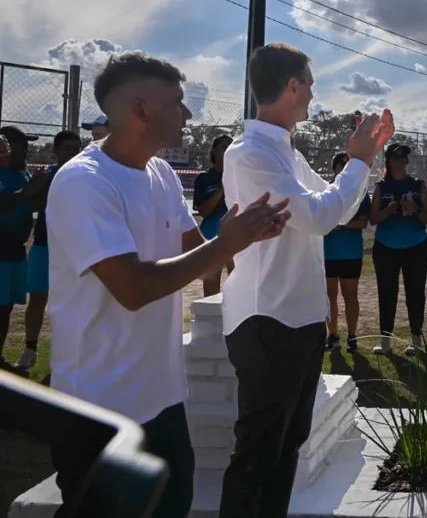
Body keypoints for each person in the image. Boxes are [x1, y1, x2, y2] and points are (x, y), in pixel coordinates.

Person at [45, 52, 290, 518]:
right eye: (178, 102)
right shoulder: (83, 182)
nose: (189, 113)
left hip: (162, 398)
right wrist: (224, 245)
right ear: (142, 111)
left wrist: (248, 237)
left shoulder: (159, 172)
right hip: (99, 409)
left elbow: (194, 251)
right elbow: (133, 289)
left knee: (173, 504)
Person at [218, 43, 393, 518]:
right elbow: (319, 215)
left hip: (298, 318)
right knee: (257, 453)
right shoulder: (251, 154)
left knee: (286, 445)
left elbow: (335, 209)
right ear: (292, 86)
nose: (313, 93)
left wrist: (366, 159)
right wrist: (356, 162)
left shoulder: (283, 153)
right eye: (310, 84)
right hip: (267, 319)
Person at [15, 130, 82, 373]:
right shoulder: (46, 175)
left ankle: (68, 355)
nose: (71, 153)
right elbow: (33, 205)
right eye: (66, 149)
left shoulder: (86, 176)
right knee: (38, 299)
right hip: (44, 244)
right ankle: (30, 350)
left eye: (75, 149)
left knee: (70, 302)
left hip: (73, 249)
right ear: (55, 151)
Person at [370, 143, 427, 356]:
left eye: (404, 157)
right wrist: (387, 211)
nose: (401, 160)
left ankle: (416, 338)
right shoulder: (381, 186)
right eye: (396, 157)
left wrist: (415, 210)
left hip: (415, 247)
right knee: (387, 293)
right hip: (386, 248)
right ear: (388, 160)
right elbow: (373, 218)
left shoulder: (418, 185)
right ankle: (385, 339)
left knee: (415, 294)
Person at [0, 126, 48, 374]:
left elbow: (30, 205)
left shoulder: (23, 174)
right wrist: (27, 192)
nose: (27, 150)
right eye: (22, 144)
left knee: (5, 307)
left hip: (15, 251)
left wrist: (47, 188)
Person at [323, 152, 371, 353]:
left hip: (350, 253)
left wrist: (341, 223)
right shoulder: (325, 190)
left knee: (350, 295)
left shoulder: (359, 191)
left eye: (347, 166)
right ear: (334, 170)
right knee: (329, 296)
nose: (343, 169)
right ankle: (333, 336)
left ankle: (352, 337)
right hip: (327, 253)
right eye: (340, 166)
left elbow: (362, 222)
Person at [193, 134, 233, 297]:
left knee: (238, 286)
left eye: (231, 146)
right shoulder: (205, 178)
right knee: (211, 291)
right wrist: (222, 189)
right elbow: (204, 211)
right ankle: (211, 321)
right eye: (224, 146)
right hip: (210, 237)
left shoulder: (240, 176)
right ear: (214, 151)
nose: (228, 150)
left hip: (235, 237)